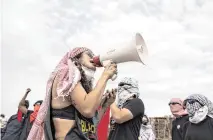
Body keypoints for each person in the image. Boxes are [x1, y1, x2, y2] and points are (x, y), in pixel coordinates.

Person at [27, 47, 117, 140]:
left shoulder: (80, 87)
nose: (93, 58)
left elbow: (90, 125)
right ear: (76, 57)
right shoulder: (66, 72)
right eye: (89, 55)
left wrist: (104, 106)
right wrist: (105, 75)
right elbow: (87, 110)